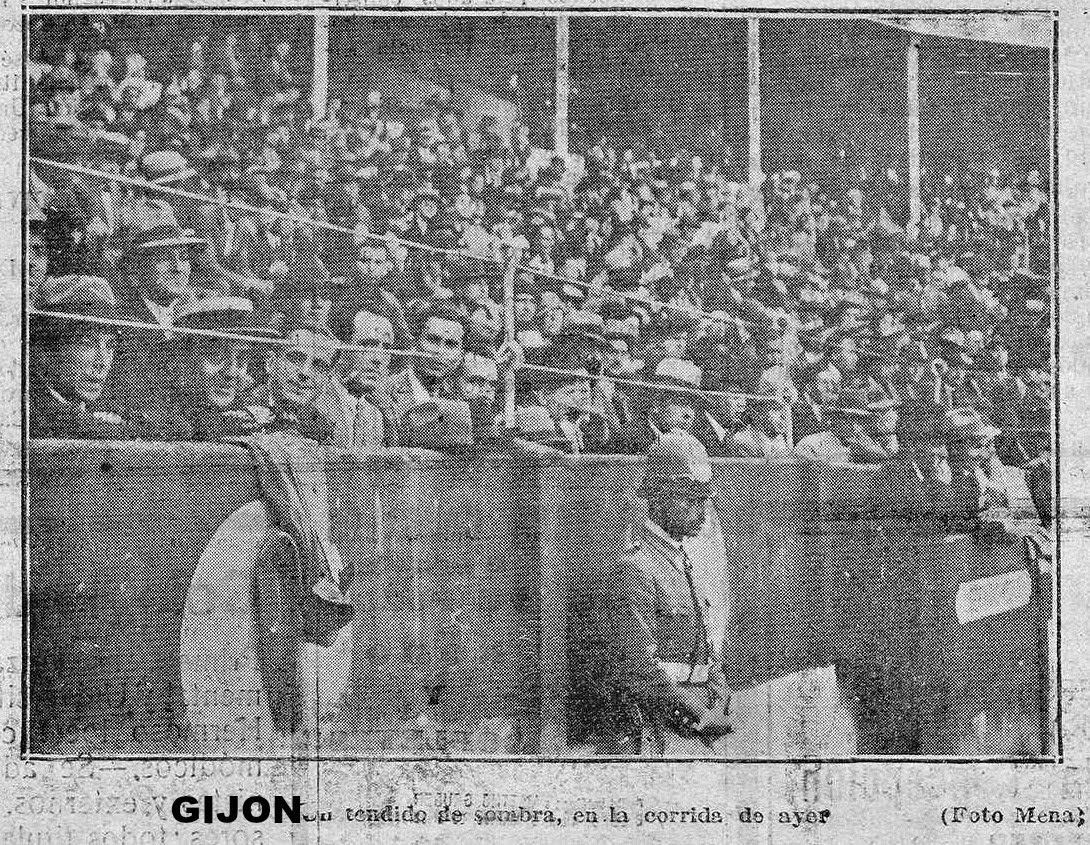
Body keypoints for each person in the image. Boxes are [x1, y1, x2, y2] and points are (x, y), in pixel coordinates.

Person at [569, 430, 732, 755]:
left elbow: (702, 646)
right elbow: (637, 666)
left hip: (694, 719)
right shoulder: (636, 567)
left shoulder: (683, 560)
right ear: (657, 497)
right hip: (654, 726)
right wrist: (696, 714)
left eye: (704, 499)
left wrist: (717, 686)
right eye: (689, 499)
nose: (700, 510)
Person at [28, 274, 138, 440]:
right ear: (46, 349)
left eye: (110, 345)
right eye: (87, 343)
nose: (102, 362)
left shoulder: (103, 405)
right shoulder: (32, 414)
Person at [253, 322, 339, 443]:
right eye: (295, 358)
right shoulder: (244, 410)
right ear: (271, 362)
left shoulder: (323, 427)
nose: (305, 372)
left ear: (327, 379)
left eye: (319, 366)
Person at [330, 309, 393, 451]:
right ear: (343, 349)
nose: (378, 359)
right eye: (368, 345)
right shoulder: (320, 401)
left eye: (386, 348)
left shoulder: (376, 415)